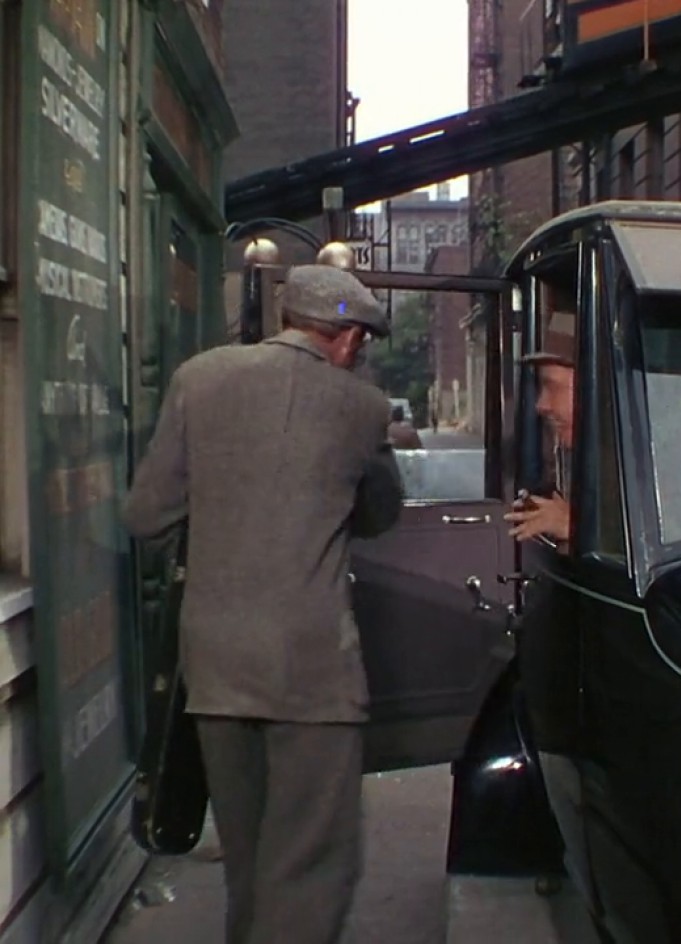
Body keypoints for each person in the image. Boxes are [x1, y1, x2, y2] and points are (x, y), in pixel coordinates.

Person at [122, 264, 403, 944]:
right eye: (360, 342)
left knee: (248, 863)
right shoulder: (362, 407)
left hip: (217, 668)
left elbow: (146, 515)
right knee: (308, 866)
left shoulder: (199, 379)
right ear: (348, 339)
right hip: (313, 673)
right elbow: (380, 514)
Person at [505, 310, 575, 544]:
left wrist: (574, 526)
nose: (541, 405)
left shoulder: (640, 459)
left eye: (552, 387)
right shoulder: (567, 453)